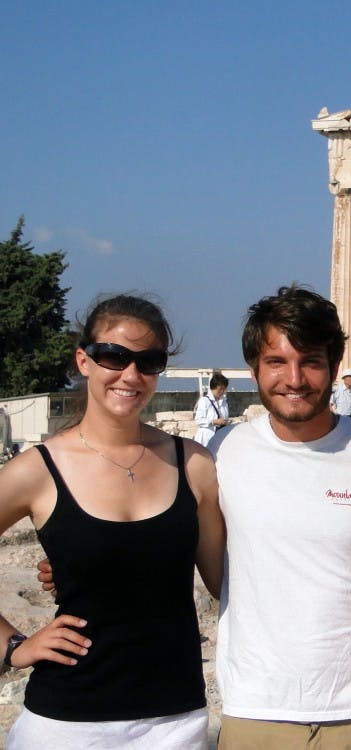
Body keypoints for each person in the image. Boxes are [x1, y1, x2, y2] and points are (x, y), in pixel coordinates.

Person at [1, 294, 225, 749]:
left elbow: (227, 582)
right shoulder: (38, 469)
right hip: (66, 722)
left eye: (148, 361)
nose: (130, 374)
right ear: (84, 360)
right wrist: (11, 646)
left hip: (175, 721)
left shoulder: (194, 464)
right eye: (114, 356)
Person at [210, 285, 351, 749]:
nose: (294, 378)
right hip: (255, 708)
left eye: (311, 361)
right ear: (254, 369)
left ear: (335, 368)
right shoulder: (223, 453)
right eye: (277, 362)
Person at [193, 371, 230, 447]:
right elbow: (198, 420)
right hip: (206, 438)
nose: (222, 391)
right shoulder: (204, 401)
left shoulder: (224, 402)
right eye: (220, 389)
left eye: (224, 389)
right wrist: (214, 422)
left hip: (219, 437)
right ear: (213, 387)